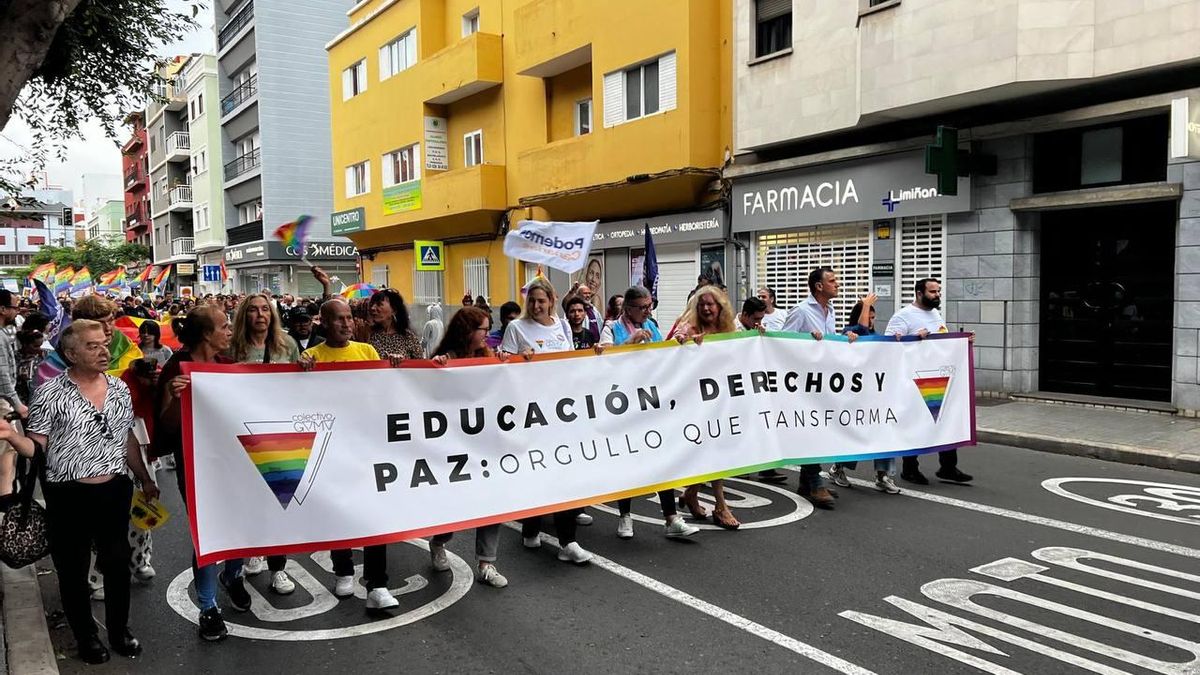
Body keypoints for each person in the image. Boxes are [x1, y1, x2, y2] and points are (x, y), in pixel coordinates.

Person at [0, 319, 158, 664]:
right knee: (73, 569)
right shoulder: (49, 393)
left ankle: (119, 631)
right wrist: (13, 438)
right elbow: (37, 448)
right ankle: (86, 636)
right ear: (71, 353)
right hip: (68, 496)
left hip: (115, 490)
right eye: (92, 346)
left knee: (117, 565)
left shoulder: (118, 388)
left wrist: (144, 477)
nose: (103, 351)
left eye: (104, 344)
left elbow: (125, 437)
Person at [299, 298, 402, 609]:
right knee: (338, 511)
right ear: (323, 323)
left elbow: (382, 391)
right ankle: (342, 569)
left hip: (365, 445)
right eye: (338, 319)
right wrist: (299, 372)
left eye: (348, 318)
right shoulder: (310, 356)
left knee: (373, 514)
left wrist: (395, 367)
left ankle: (377, 585)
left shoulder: (367, 352)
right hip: (329, 447)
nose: (345, 324)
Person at [157, 306, 248, 642]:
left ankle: (234, 574)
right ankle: (208, 607)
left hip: (237, 462)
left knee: (241, 526)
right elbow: (165, 430)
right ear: (206, 334)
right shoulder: (176, 369)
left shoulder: (228, 367)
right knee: (207, 534)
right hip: (197, 466)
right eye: (224, 326)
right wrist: (172, 397)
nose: (229, 331)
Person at [499, 277, 594, 563]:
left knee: (563, 471)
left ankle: (568, 542)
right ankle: (531, 526)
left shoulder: (562, 325)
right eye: (532, 301)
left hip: (562, 411)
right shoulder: (517, 327)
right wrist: (518, 357)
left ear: (552, 300)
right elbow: (502, 362)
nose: (537, 305)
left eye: (542, 300)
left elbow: (571, 362)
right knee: (536, 472)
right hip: (531, 414)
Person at [597, 286, 701, 540]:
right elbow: (602, 358)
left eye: (649, 305)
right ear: (628, 308)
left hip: (652, 401)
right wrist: (629, 343)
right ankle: (625, 516)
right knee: (628, 459)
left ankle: (671, 517)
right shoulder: (612, 327)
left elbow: (664, 352)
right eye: (642, 307)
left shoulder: (651, 325)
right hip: (624, 402)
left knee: (660, 457)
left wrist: (682, 344)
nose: (647, 311)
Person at [428, 306, 510, 587]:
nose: (487, 335)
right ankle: (439, 542)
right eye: (483, 329)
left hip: (485, 444)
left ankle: (487, 562)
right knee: (454, 505)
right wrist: (434, 369)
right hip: (454, 446)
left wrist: (505, 364)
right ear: (467, 331)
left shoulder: (488, 356)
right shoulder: (445, 359)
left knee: (491, 501)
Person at [228, 294, 300, 594]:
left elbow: (300, 384)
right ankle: (253, 547)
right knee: (249, 499)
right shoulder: (232, 348)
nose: (260, 315)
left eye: (265, 310)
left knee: (278, 500)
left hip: (280, 433)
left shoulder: (287, 345)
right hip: (243, 431)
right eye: (254, 310)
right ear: (244, 316)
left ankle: (279, 567)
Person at [884, 278, 974, 485]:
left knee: (946, 420)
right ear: (919, 293)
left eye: (939, 291)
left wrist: (962, 342)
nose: (937, 295)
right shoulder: (902, 316)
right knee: (915, 422)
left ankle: (948, 467)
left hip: (939, 377)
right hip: (913, 381)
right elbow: (889, 347)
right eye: (933, 292)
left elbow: (942, 341)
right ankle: (909, 469)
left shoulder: (935, 314)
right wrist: (914, 337)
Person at [668, 289, 742, 529]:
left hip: (721, 400)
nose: (707, 309)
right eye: (702, 306)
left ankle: (691, 492)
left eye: (711, 305)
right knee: (712, 450)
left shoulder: (730, 330)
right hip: (695, 403)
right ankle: (721, 506)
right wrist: (684, 343)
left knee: (714, 449)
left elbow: (746, 350)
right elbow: (669, 350)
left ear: (721, 307)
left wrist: (760, 336)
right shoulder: (688, 329)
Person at [779, 267, 846, 509]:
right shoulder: (801, 311)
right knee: (812, 428)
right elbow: (782, 342)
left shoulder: (831, 311)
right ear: (818, 286)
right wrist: (807, 341)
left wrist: (844, 339)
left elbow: (830, 342)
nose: (837, 284)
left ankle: (807, 482)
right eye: (832, 280)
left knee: (821, 428)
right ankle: (814, 481)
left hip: (824, 380)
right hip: (803, 382)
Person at [826, 295, 900, 494]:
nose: (872, 320)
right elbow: (862, 330)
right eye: (869, 315)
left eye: (874, 317)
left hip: (874, 393)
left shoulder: (876, 336)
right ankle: (838, 468)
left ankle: (882, 475)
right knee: (855, 433)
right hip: (855, 395)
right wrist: (865, 305)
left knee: (884, 431)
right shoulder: (849, 333)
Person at [734, 297, 789, 485]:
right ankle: (740, 465)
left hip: (756, 383)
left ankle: (767, 468)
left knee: (764, 423)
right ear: (745, 315)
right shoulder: (731, 328)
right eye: (756, 319)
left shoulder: (757, 329)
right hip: (736, 386)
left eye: (762, 319)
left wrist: (763, 337)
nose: (759, 323)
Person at [0, 290, 24, 507]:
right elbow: (3, 375)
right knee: (8, 448)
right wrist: (16, 403)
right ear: (3, 309)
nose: (17, 311)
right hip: (2, 401)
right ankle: (5, 496)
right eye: (14, 307)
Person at [367, 289, 423, 360]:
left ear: (394, 310)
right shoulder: (368, 334)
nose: (373, 308)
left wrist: (402, 362)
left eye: (379, 304)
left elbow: (420, 365)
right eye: (372, 304)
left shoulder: (408, 337)